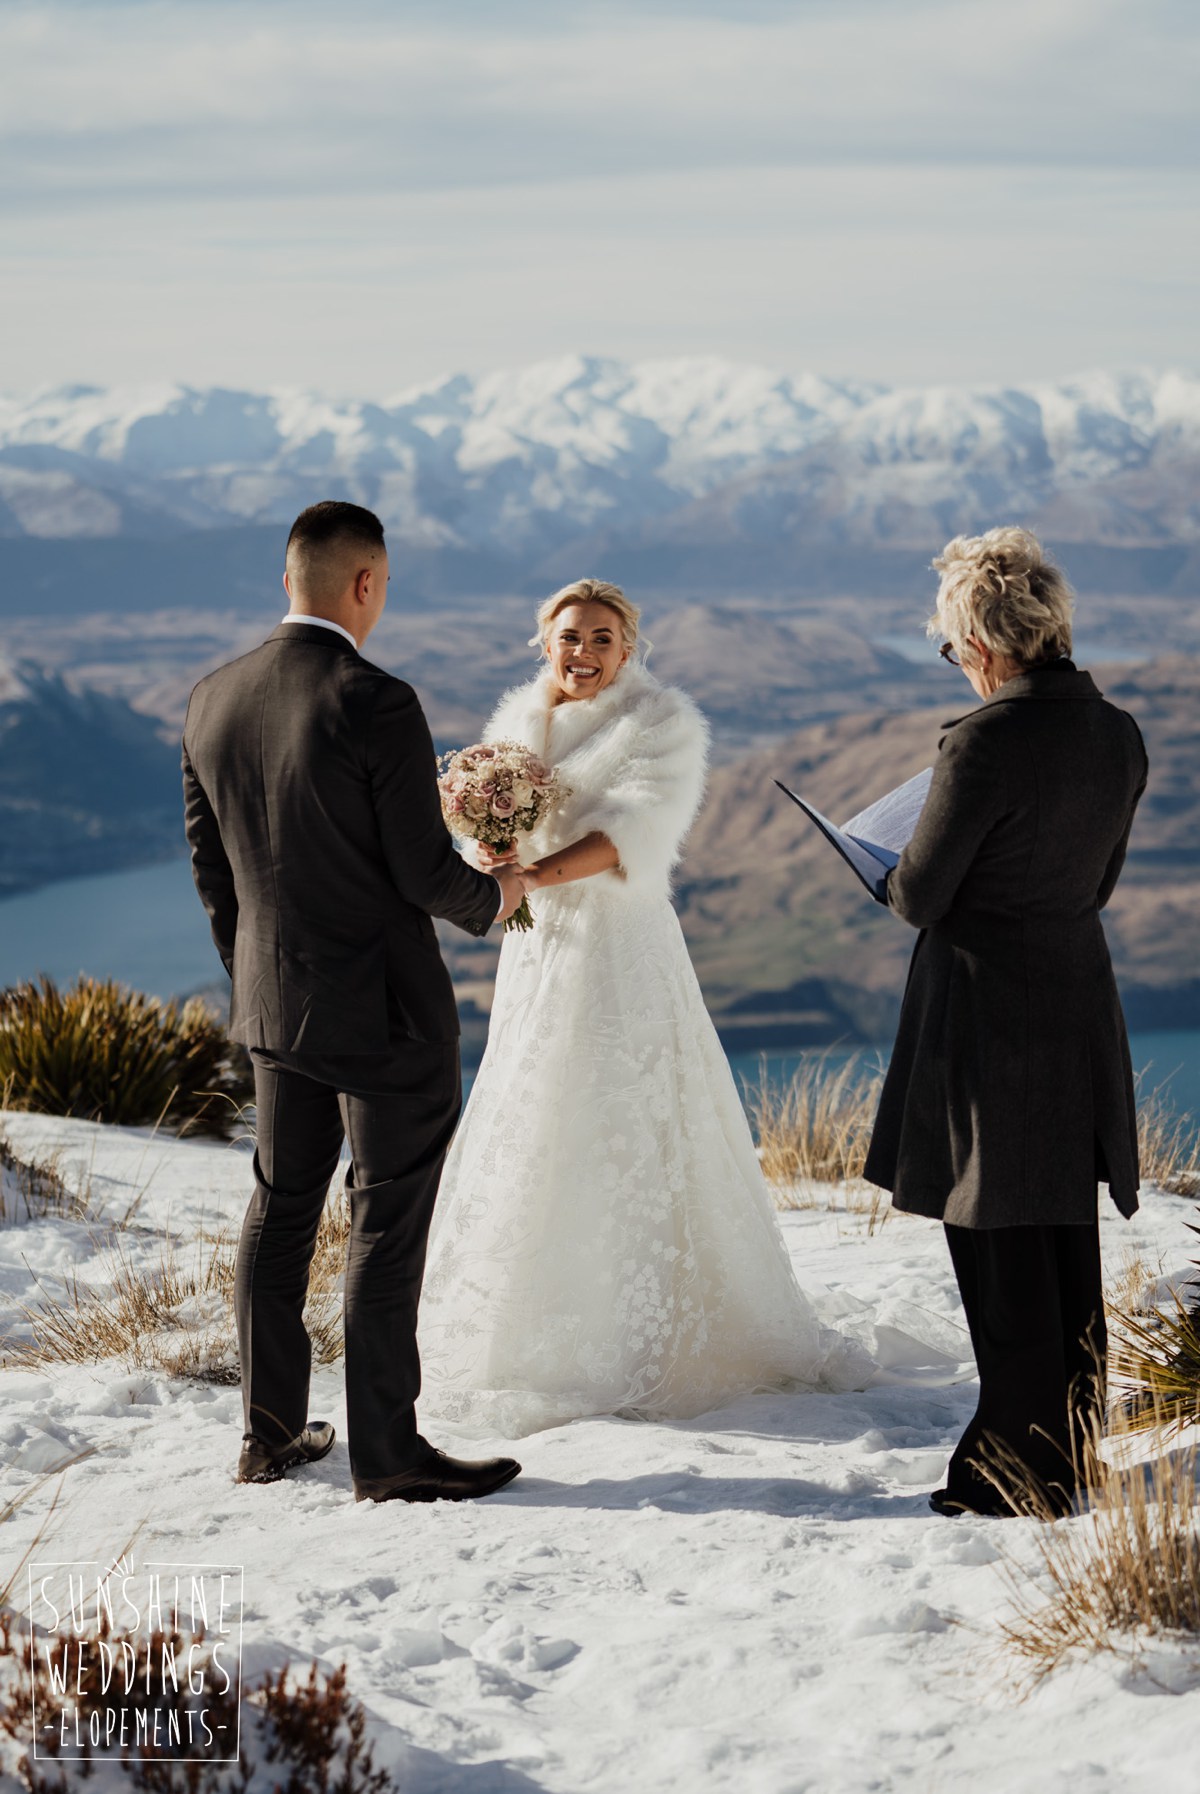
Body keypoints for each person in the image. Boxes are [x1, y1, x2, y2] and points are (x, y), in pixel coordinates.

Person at [417, 579, 870, 1437]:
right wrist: (491, 846)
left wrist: (528, 878)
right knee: (537, 1106)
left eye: (600, 638)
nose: (581, 653)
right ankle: (529, 1318)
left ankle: (647, 1331)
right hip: (539, 943)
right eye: (567, 636)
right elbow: (491, 824)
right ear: (541, 642)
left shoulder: (662, 723)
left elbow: (635, 829)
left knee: (621, 1112)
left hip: (616, 943)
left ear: (629, 648)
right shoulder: (514, 723)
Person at [182, 500, 529, 1503]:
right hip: (385, 1014)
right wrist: (496, 898)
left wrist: (260, 981)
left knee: (282, 1206)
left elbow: (217, 878)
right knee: (383, 1218)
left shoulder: (211, 697)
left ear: (287, 579)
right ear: (367, 584)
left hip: (272, 1007)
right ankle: (388, 1454)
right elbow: (424, 873)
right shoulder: (375, 699)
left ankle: (268, 1438)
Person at [864, 527, 1148, 1518]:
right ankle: (1068, 1448)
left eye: (953, 649)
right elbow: (1099, 881)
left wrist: (883, 869)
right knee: (1059, 1237)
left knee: (995, 1238)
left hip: (985, 1006)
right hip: (1075, 996)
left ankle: (1010, 1470)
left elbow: (921, 892)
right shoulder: (1119, 732)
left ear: (981, 646)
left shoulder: (981, 741)